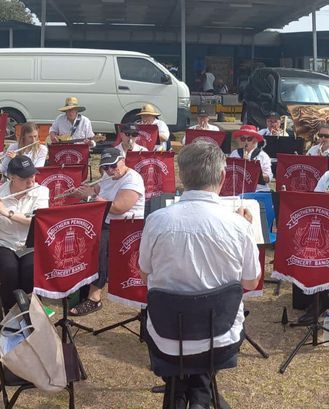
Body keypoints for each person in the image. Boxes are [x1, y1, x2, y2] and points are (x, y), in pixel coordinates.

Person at [139, 141, 260, 409]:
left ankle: (184, 390)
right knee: (201, 341)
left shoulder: (156, 220)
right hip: (220, 337)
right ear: (222, 176)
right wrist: (246, 231)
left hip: (168, 338)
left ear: (182, 176)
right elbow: (251, 282)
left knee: (186, 341)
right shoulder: (239, 226)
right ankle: (199, 393)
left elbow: (144, 273)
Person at [69, 148, 145, 316]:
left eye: (113, 165)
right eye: (105, 167)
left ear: (122, 160)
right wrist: (80, 192)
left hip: (125, 226)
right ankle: (80, 283)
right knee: (79, 233)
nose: (110, 170)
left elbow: (119, 208)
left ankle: (94, 298)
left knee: (98, 245)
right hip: (105, 221)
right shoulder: (107, 175)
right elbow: (96, 190)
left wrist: (90, 197)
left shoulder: (133, 179)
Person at [0, 156, 49, 312]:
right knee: (9, 271)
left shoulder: (41, 191)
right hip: (1, 243)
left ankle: (30, 312)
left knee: (30, 272)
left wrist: (8, 213)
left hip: (30, 245)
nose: (30, 181)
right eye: (24, 178)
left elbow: (36, 221)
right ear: (11, 177)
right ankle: (10, 314)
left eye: (32, 175)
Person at [230, 125, 273, 192]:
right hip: (238, 187)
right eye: (243, 139)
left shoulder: (262, 155)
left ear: (255, 140)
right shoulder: (234, 153)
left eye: (249, 139)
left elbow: (268, 178)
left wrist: (257, 172)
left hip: (258, 189)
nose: (246, 142)